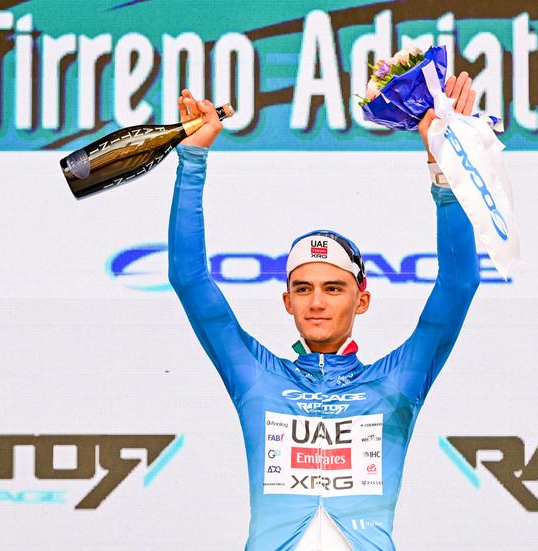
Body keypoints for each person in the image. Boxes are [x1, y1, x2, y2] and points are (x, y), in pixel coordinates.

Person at [168, 73, 480, 550]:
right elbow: (189, 279)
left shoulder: (396, 382)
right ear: (287, 300)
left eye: (334, 288)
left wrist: (444, 165)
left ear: (363, 298)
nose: (316, 302)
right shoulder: (256, 376)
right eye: (304, 288)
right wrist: (193, 158)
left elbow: (459, 284)